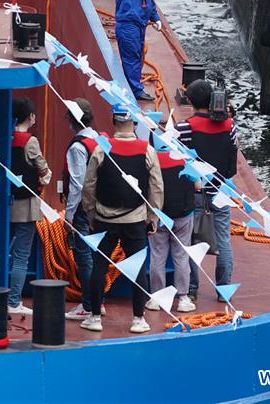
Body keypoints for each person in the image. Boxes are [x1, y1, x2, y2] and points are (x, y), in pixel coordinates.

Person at [80, 104, 163, 333]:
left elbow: (89, 185)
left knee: (99, 267)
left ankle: (95, 317)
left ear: (113, 121)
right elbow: (156, 186)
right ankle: (138, 319)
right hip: (135, 220)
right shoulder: (147, 150)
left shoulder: (100, 148)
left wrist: (90, 212)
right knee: (138, 268)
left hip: (103, 218)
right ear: (134, 122)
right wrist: (153, 216)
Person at [176, 79, 238, 301]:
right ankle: (223, 290)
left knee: (192, 241)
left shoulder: (184, 127)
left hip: (194, 192)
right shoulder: (230, 125)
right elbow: (233, 150)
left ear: (190, 101)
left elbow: (177, 158)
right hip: (221, 190)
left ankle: (192, 289)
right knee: (223, 241)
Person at [59, 98, 105, 321]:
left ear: (70, 119)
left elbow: (77, 184)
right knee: (97, 256)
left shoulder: (78, 147)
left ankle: (88, 305)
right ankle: (98, 301)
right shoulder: (98, 140)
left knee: (84, 257)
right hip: (99, 206)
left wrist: (68, 214)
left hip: (82, 210)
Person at [8, 97, 51, 316]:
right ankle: (13, 301)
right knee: (21, 257)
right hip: (26, 207)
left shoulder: (5, 138)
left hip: (4, 206)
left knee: (4, 253)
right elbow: (44, 173)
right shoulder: (30, 141)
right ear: (31, 117)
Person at [145, 146, 199, 314]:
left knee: (157, 256)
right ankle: (183, 298)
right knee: (181, 256)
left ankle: (156, 298)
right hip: (183, 216)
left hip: (159, 216)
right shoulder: (185, 159)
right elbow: (198, 186)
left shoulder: (150, 160)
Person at [114, 0, 162, 101]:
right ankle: (135, 90)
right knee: (132, 57)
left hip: (138, 25)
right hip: (128, 24)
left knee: (137, 55)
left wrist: (156, 18)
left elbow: (149, 0)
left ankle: (134, 87)